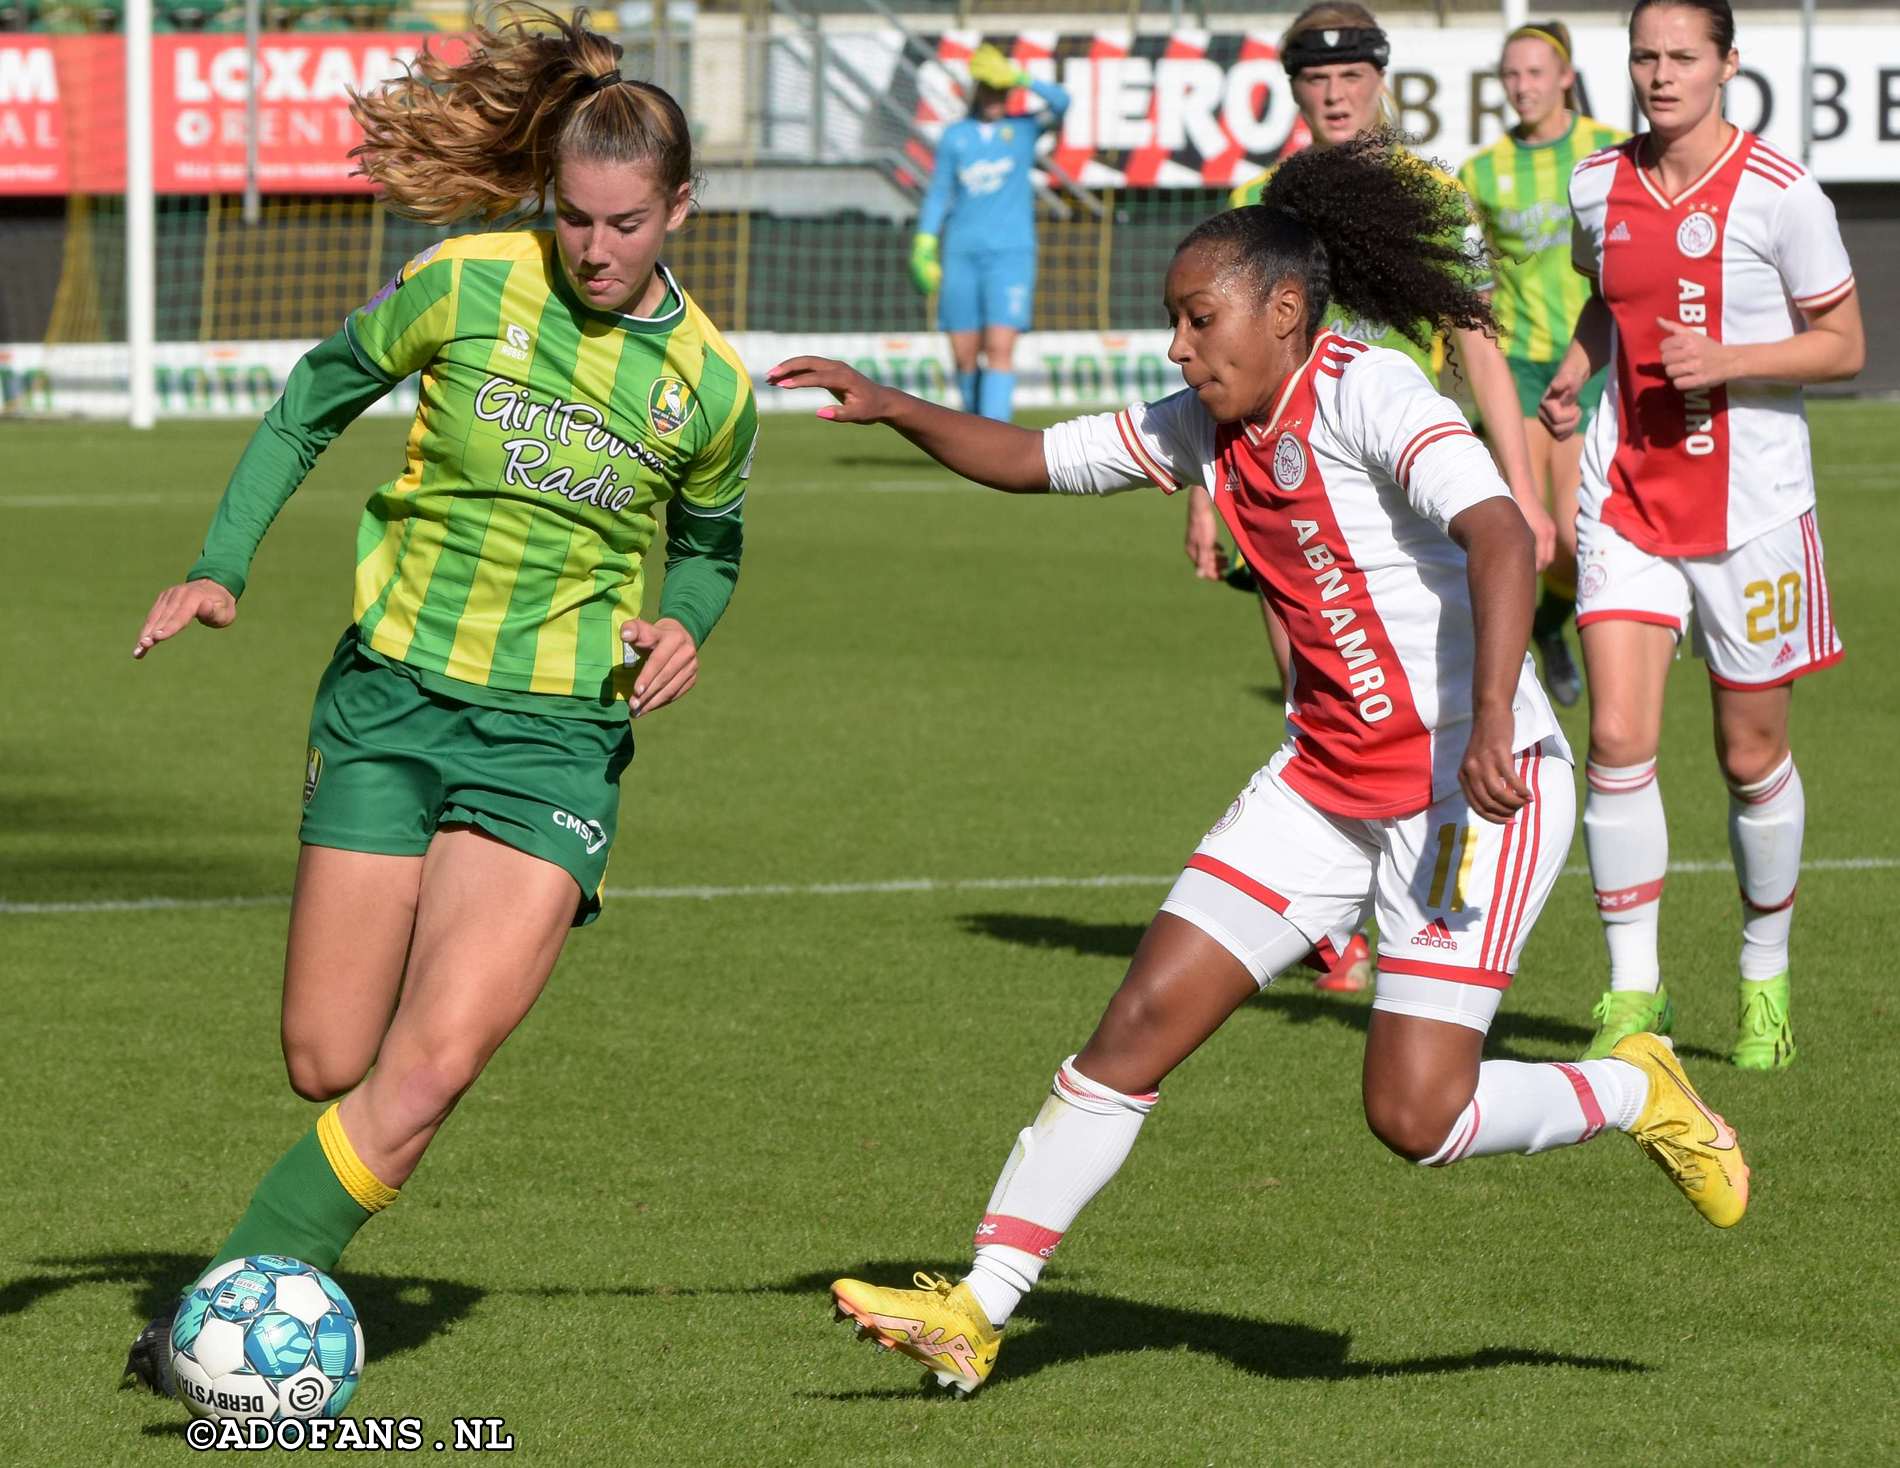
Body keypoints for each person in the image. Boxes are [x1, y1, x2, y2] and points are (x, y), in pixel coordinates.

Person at [770, 130, 1749, 1399]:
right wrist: (894, 403)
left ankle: (1632, 1090)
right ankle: (978, 1304)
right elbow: (1033, 460)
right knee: (1133, 1028)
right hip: (1320, 786)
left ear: (1284, 312)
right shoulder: (1206, 421)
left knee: (1415, 1119)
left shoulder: (1369, 393)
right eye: (1177, 324)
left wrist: (1499, 714)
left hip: (1468, 790)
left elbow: (1503, 535)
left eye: (1197, 319)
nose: (1180, 347)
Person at [122, 5, 757, 1393]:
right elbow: (310, 398)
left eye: (628, 224)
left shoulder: (708, 383)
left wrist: (683, 625)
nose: (597, 250)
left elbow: (708, 546)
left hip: (555, 737)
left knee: (430, 1063)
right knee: (327, 1055)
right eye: (578, 219)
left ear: (680, 211)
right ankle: (257, 1290)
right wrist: (219, 565)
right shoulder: (464, 283)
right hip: (393, 702)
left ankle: (213, 1318)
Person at [1200, 2, 1558, 993]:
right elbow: (1211, 370)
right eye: (1316, 79)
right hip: (1284, 487)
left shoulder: (1428, 192)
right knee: (1306, 686)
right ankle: (1330, 907)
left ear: (1378, 78)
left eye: (1351, 75)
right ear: (1295, 89)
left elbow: (1476, 337)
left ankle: (1432, 890)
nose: (1334, 92)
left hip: (1409, 487)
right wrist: (1200, 493)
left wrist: (1518, 485)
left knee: (1431, 680)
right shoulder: (1258, 202)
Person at [1541, 0, 1862, 1067]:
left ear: (1728, 64)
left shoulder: (1783, 195)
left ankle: (1762, 974)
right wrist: (1579, 369)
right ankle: (1635, 993)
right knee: (1619, 742)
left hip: (1753, 514)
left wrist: (1726, 359)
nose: (1660, 74)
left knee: (1747, 752)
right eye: (1644, 55)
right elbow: (1606, 301)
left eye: (1683, 56)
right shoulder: (1596, 183)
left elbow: (1844, 345)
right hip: (1626, 494)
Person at [1460, 20, 1624, 707]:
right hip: (1521, 368)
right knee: (1530, 533)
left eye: (1535, 73)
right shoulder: (1479, 172)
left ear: (1565, 76)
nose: (1522, 87)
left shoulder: (1609, 149)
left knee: (1575, 544)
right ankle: (1510, 674)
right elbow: (1475, 281)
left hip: (1591, 361)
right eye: (1511, 74)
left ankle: (1549, 627)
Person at [910, 42, 1070, 421]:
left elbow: (1063, 102)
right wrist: (924, 242)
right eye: (990, 88)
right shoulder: (955, 137)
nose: (996, 97)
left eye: (1002, 90)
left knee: (1000, 347)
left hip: (1011, 255)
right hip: (961, 254)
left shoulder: (1023, 129)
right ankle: (975, 432)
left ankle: (995, 439)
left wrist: (1021, 77)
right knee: (964, 354)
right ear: (977, 90)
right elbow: (938, 195)